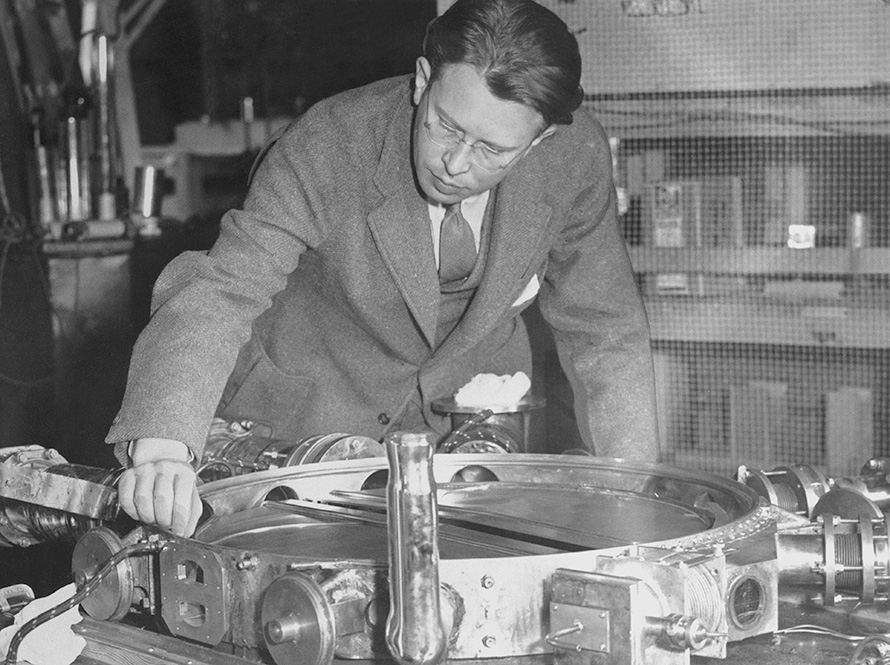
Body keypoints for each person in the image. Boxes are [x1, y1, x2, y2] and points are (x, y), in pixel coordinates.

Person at [108, 0, 659, 537]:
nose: (456, 163)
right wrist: (162, 446)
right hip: (298, 434)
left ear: (540, 141)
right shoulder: (329, 144)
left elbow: (602, 326)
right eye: (446, 126)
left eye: (493, 150)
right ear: (423, 80)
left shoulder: (575, 158)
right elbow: (221, 292)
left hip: (462, 444)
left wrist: (630, 490)